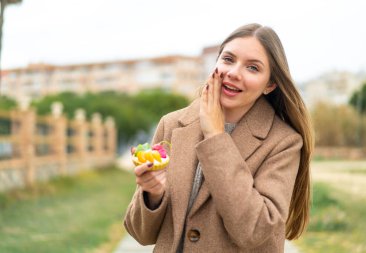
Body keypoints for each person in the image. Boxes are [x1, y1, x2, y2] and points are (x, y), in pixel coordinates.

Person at [124, 23, 314, 253]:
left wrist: (216, 136)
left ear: (270, 84)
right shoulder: (172, 124)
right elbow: (140, 233)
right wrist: (152, 194)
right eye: (228, 59)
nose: (233, 73)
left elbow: (255, 231)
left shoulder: (284, 142)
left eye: (253, 68)